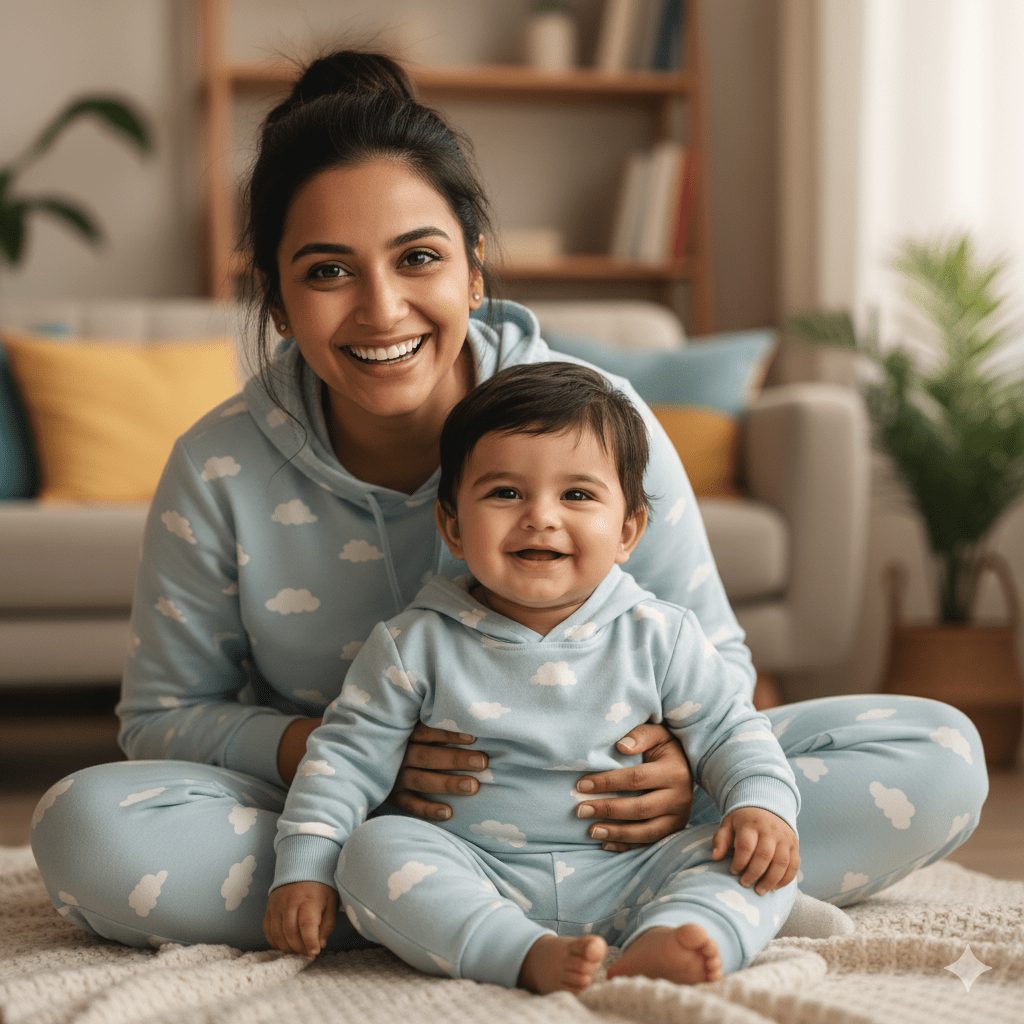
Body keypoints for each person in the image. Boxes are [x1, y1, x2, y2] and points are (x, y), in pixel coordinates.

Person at [30, 49, 986, 955]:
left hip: (607, 815)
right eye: (327, 271)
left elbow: (714, 659)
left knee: (939, 752)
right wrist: (334, 754)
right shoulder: (219, 466)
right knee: (89, 831)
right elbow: (162, 716)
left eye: (418, 258)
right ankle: (412, 891)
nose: (380, 309)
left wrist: (695, 771)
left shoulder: (598, 419)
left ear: (474, 266)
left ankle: (428, 914)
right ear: (277, 301)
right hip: (367, 816)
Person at [264, 362, 801, 993]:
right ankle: (523, 954)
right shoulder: (414, 644)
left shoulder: (663, 635)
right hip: (475, 870)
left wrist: (762, 807)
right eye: (505, 493)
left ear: (628, 531)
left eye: (577, 495)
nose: (540, 517)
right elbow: (343, 761)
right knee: (371, 852)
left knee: (759, 863)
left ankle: (677, 935)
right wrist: (301, 867)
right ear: (453, 527)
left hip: (635, 868)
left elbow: (734, 729)